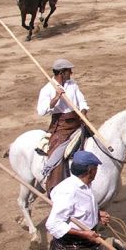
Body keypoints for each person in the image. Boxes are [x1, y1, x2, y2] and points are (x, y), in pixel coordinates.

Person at [37, 58, 89, 193]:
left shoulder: (72, 85)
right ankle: (55, 184)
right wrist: (56, 98)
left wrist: (83, 111)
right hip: (61, 126)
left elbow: (82, 101)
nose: (71, 73)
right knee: (58, 152)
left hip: (78, 121)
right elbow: (41, 111)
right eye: (68, 71)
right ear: (61, 72)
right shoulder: (47, 89)